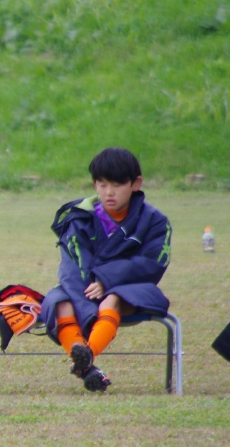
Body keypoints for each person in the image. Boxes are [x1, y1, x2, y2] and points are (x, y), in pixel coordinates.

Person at [39, 147, 172, 392]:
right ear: (94, 184)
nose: (109, 192)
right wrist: (88, 303)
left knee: (112, 299)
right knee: (59, 303)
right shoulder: (78, 218)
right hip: (80, 290)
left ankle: (87, 353)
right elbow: (73, 267)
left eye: (117, 185)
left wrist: (106, 281)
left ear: (136, 184)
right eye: (102, 184)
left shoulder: (155, 221)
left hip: (132, 290)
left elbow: (151, 264)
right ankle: (87, 368)